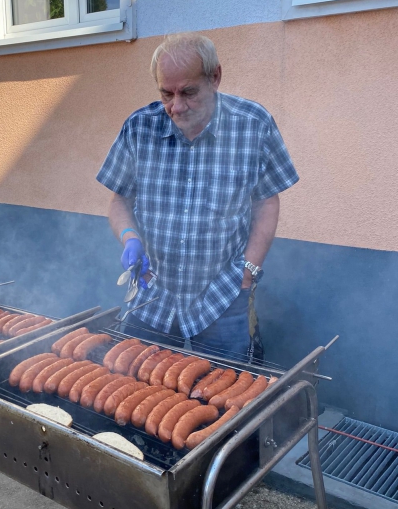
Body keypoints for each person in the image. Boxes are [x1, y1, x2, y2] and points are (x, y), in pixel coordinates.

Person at [96, 32, 299, 359]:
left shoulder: (253, 124)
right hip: (152, 293)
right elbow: (120, 200)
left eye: (189, 92)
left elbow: (266, 201)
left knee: (226, 385)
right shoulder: (139, 127)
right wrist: (130, 237)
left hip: (223, 296)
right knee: (134, 379)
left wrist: (248, 272)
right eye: (166, 93)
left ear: (214, 77)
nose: (176, 107)